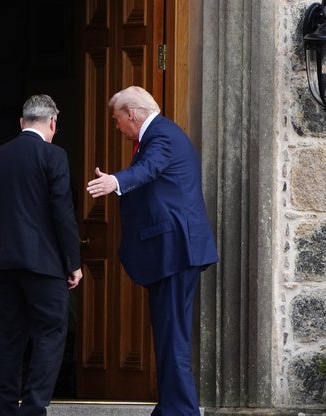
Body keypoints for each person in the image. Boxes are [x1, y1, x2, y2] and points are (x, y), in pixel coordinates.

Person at [86, 86, 219, 416]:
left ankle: (181, 411)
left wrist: (115, 182)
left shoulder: (161, 135)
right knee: (168, 334)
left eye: (117, 120)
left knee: (172, 336)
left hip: (175, 251)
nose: (116, 126)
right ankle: (173, 408)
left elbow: (150, 169)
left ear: (131, 114)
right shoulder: (160, 134)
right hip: (172, 252)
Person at [0, 94, 83, 416]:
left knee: (10, 336)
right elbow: (62, 213)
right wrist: (73, 262)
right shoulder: (54, 156)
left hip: (4, 262)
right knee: (51, 332)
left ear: (22, 122)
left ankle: (7, 408)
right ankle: (34, 408)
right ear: (53, 122)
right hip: (45, 265)